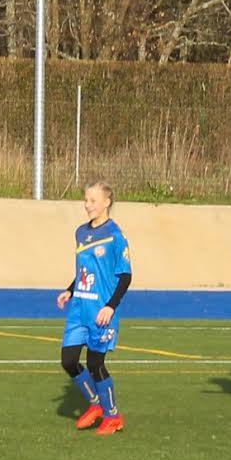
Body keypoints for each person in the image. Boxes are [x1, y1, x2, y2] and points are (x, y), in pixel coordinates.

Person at [56, 181, 133, 435]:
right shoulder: (81, 233)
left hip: (101, 310)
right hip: (79, 308)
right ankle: (96, 405)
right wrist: (70, 289)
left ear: (106, 202)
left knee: (95, 364)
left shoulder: (116, 236)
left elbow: (125, 276)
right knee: (68, 361)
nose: (87, 205)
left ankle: (113, 416)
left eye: (92, 200)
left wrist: (111, 306)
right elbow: (83, 271)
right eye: (86, 200)